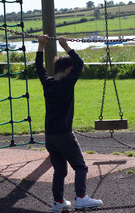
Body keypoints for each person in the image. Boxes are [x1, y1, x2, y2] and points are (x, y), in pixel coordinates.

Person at [35, 35, 103, 213]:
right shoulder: (68, 83)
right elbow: (80, 63)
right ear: (68, 69)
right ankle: (81, 198)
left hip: (49, 136)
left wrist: (41, 46)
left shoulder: (47, 83)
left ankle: (58, 201)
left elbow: (39, 68)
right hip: (64, 134)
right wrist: (65, 45)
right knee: (80, 166)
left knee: (60, 170)